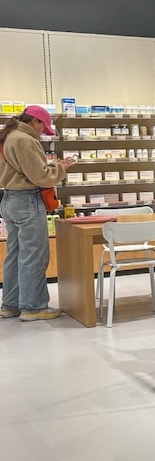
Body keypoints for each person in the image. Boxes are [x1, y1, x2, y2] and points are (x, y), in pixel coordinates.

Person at [0, 106, 73, 321]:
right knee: (34, 255)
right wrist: (60, 169)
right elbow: (41, 177)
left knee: (15, 255)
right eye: (43, 127)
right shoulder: (25, 140)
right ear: (35, 121)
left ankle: (11, 305)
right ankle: (33, 307)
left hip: (9, 199)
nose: (42, 132)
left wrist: (51, 165)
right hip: (27, 200)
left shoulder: (8, 136)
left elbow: (22, 169)